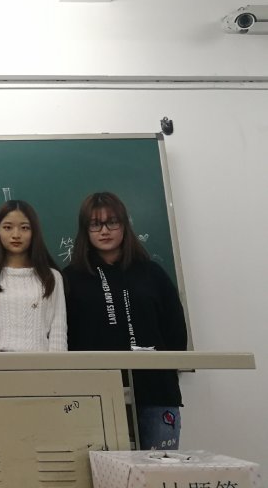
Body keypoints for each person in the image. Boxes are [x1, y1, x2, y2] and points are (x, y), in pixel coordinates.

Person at [63, 192, 187, 450]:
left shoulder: (152, 273)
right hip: (94, 395)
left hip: (156, 392)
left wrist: (167, 369)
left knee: (160, 468)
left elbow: (175, 330)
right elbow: (64, 335)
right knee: (99, 469)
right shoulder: (71, 278)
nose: (104, 230)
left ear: (124, 225)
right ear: (85, 230)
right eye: (95, 224)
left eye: (112, 222)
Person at [0, 200, 67, 352]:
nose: (16, 235)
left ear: (34, 232)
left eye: (24, 228)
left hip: (42, 364)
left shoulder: (51, 277)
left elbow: (58, 333)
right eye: (8, 227)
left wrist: (54, 366)